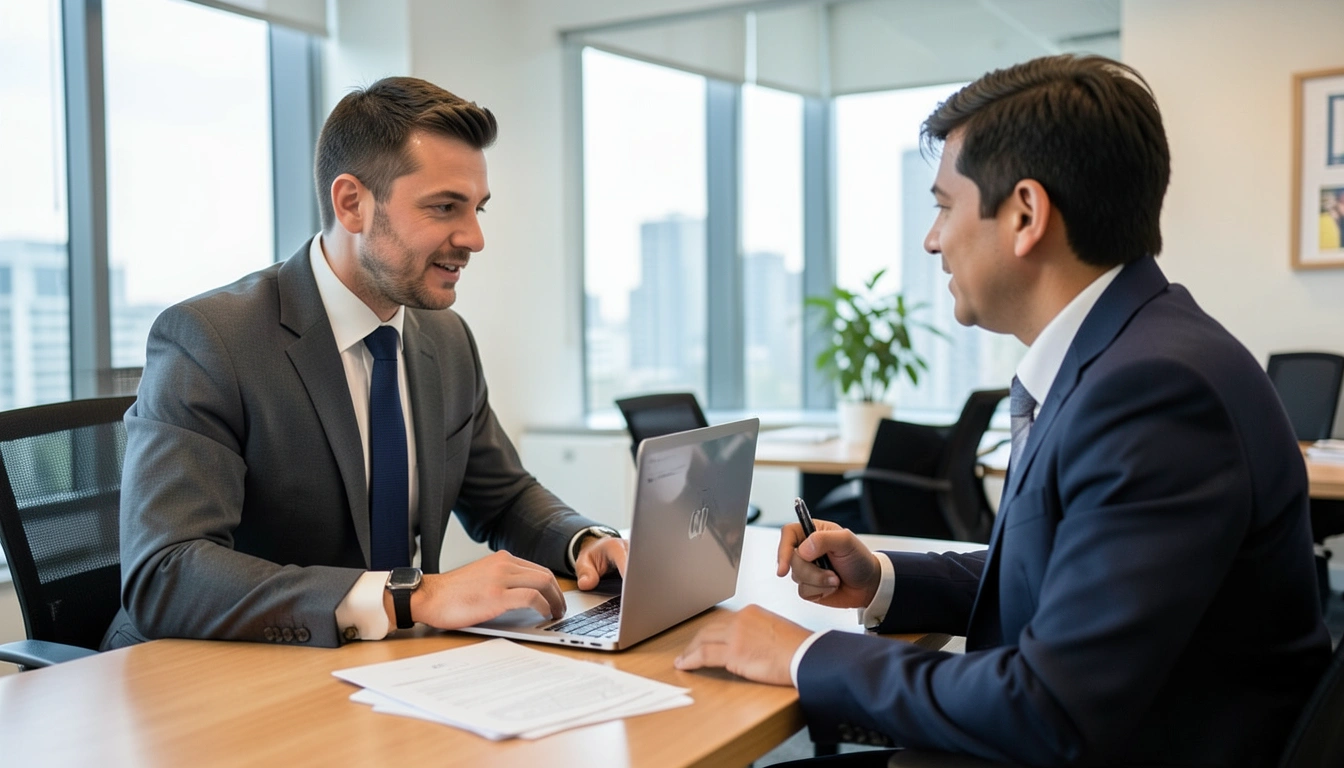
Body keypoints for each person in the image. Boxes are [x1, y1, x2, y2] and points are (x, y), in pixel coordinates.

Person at [676, 54, 1330, 766]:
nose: (933, 239)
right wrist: (885, 577)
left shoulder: (1152, 391)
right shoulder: (1132, 352)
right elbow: (1059, 576)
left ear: (1025, 214)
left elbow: (1051, 709)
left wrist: (803, 654)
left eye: (943, 206)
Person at [103, 77, 627, 650]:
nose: (474, 238)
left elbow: (502, 497)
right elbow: (166, 573)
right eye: (444, 207)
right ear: (352, 203)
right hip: (218, 680)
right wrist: (410, 597)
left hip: (381, 673)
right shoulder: (211, 340)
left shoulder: (446, 341)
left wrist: (585, 540)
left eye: (477, 208)